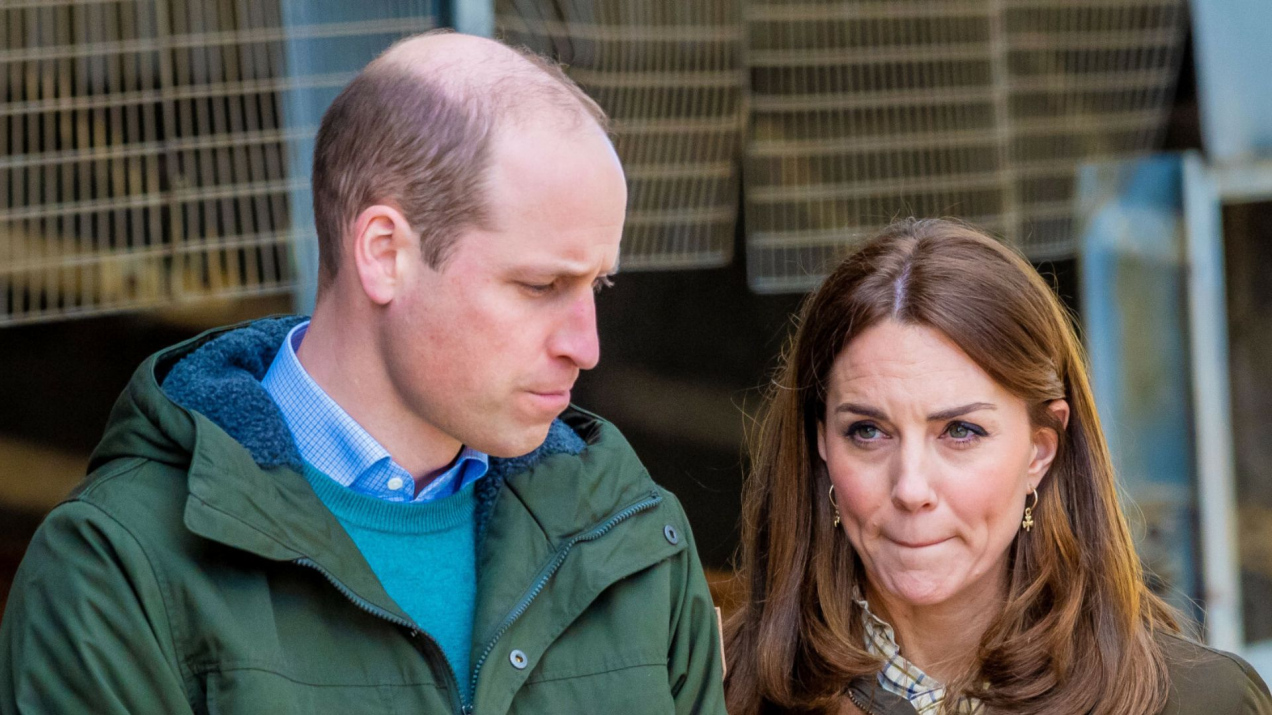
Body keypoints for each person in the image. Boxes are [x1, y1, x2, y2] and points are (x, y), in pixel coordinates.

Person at [0, 31, 724, 715]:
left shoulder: (633, 539)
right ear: (384, 253)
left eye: (598, 284)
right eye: (540, 285)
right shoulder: (117, 568)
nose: (586, 345)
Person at [723, 218, 1272, 714]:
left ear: (1041, 450)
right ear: (821, 442)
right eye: (868, 431)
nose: (911, 487)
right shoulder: (719, 692)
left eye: (961, 431)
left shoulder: (1200, 702)